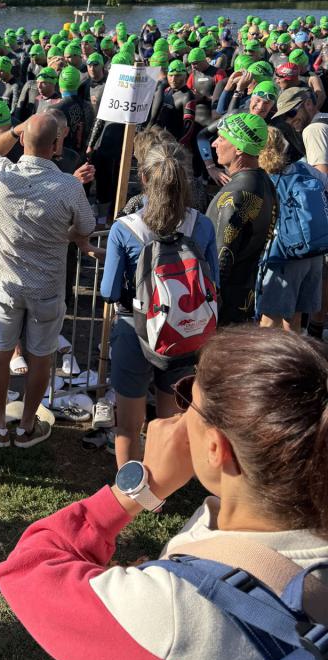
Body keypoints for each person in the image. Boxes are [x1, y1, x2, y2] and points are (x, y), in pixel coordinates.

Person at [0, 326, 328, 660]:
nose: (174, 416)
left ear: (216, 448)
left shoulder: (169, 611)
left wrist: (137, 489)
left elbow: (29, 565)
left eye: (188, 399)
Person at [0, 114, 95, 448]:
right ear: (57, 145)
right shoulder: (69, 186)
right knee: (41, 356)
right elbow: (86, 228)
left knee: (0, 354)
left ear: (22, 140)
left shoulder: (0, 175)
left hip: (6, 285)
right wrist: (65, 234)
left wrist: (16, 129)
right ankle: (27, 425)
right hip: (47, 287)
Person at [101, 141, 219, 465]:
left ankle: (131, 488)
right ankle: (164, 481)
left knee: (128, 426)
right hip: (184, 331)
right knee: (171, 420)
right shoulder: (203, 225)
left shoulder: (124, 229)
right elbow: (214, 283)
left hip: (134, 330)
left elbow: (109, 291)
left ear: (143, 176)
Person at [207, 113, 277, 325]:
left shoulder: (236, 194)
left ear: (239, 148)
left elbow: (222, 256)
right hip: (246, 298)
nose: (214, 144)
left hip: (223, 308)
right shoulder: (265, 182)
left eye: (222, 138)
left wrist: (209, 303)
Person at [257, 126, 325, 330]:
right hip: (314, 251)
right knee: (294, 317)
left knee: (269, 320)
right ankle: (295, 352)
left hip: (283, 256)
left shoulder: (262, 178)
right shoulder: (304, 169)